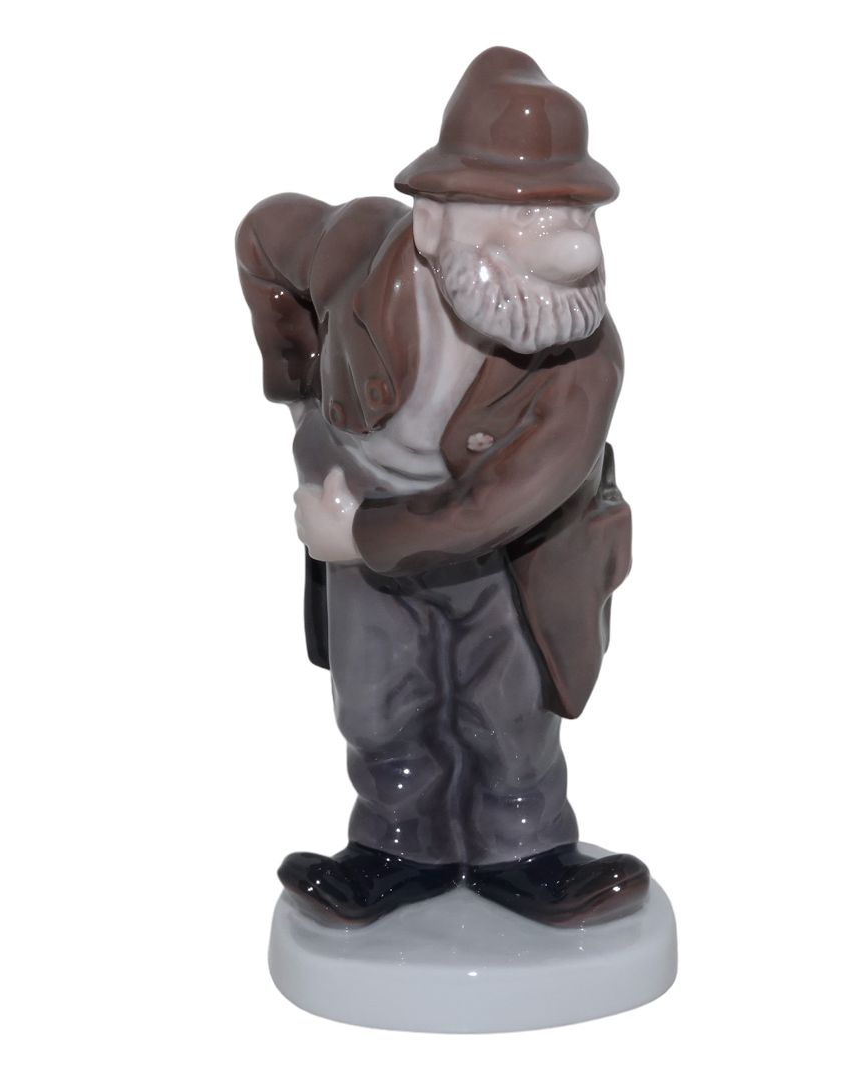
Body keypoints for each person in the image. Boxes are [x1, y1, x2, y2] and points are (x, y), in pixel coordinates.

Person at [235, 47, 646, 928]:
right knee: (378, 699)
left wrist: (359, 537)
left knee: (508, 706)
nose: (573, 247)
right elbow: (263, 239)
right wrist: (296, 384)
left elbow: (506, 502)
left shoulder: (585, 359)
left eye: (575, 213)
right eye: (527, 218)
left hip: (509, 553)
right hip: (362, 516)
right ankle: (395, 845)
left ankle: (525, 849)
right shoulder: (353, 251)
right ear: (432, 224)